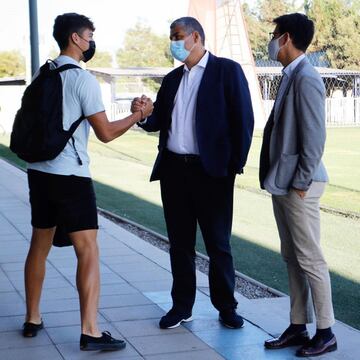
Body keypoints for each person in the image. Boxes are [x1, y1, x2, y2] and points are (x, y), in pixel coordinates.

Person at [23, 13, 153, 351]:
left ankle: (33, 318)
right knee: (89, 251)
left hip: (39, 173)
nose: (92, 41)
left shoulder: (44, 73)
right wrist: (139, 115)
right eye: (89, 36)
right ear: (76, 39)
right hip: (71, 178)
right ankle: (90, 331)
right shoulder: (82, 80)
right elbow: (106, 132)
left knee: (39, 244)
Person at [132, 16, 254, 330]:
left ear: (195, 37)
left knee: (218, 245)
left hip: (212, 173)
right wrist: (143, 115)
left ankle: (226, 307)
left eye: (177, 36)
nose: (173, 42)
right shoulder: (172, 79)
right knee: (180, 244)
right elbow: (158, 119)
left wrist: (233, 166)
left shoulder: (226, 71)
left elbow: (244, 121)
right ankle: (181, 306)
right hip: (174, 171)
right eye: (171, 36)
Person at [259, 13, 337, 357]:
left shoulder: (306, 77)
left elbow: (315, 137)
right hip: (285, 182)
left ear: (287, 37)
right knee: (292, 256)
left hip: (299, 185)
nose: (272, 40)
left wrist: (302, 182)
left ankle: (326, 332)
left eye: (275, 34)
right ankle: (297, 325)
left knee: (310, 258)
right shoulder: (292, 74)